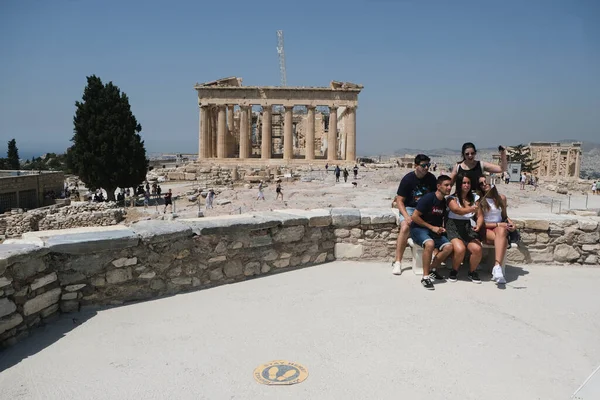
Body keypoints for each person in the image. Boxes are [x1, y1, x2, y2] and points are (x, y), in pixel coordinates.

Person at [391, 154, 437, 275]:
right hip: (410, 208)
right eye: (423, 165)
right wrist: (406, 216)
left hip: (425, 209)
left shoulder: (431, 179)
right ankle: (398, 262)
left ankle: (434, 260)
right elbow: (400, 200)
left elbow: (434, 197)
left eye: (428, 165)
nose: (426, 168)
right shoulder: (408, 179)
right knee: (405, 226)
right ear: (416, 166)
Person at [410, 175, 455, 290]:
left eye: (450, 185)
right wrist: (431, 227)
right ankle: (425, 277)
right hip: (419, 229)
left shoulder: (443, 202)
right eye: (446, 185)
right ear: (438, 186)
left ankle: (432, 268)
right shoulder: (428, 198)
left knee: (449, 247)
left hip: (433, 230)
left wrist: (441, 228)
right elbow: (414, 217)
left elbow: (440, 218)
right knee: (429, 244)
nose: (449, 187)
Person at [446, 173, 484, 283]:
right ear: (459, 184)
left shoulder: (474, 198)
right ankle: (454, 270)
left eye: (468, 183)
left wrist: (479, 224)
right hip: (454, 226)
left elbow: (480, 215)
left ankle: (472, 271)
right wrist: (471, 209)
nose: (466, 185)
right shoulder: (452, 198)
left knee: (477, 248)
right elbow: (457, 210)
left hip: (468, 227)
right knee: (460, 249)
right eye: (464, 183)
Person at [477, 177, 515, 284]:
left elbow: (504, 216)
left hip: (499, 229)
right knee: (502, 239)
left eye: (486, 181)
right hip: (485, 228)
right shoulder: (479, 200)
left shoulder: (501, 198)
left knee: (501, 232)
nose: (485, 184)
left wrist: (511, 223)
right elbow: (480, 222)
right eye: (481, 183)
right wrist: (498, 224)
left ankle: (497, 266)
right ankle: (497, 268)